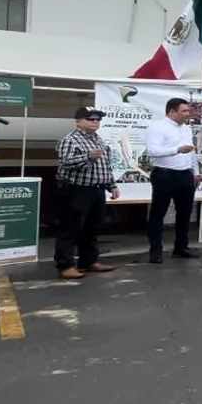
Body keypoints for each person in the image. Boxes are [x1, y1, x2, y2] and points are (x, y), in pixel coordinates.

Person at [52, 107, 120, 279]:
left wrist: (111, 185)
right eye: (90, 119)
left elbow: (105, 167)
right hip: (76, 189)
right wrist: (88, 157)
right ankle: (65, 265)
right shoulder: (70, 140)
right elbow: (65, 163)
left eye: (98, 119)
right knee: (70, 229)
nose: (95, 122)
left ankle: (89, 261)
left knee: (92, 227)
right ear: (78, 121)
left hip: (96, 190)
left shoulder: (99, 140)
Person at [144, 97, 199, 263]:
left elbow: (191, 152)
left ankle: (181, 247)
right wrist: (176, 149)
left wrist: (195, 171)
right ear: (172, 112)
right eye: (184, 111)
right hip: (165, 174)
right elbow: (152, 150)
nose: (188, 114)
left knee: (185, 213)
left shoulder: (186, 129)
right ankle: (155, 250)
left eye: (188, 111)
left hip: (185, 174)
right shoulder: (158, 127)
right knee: (158, 213)